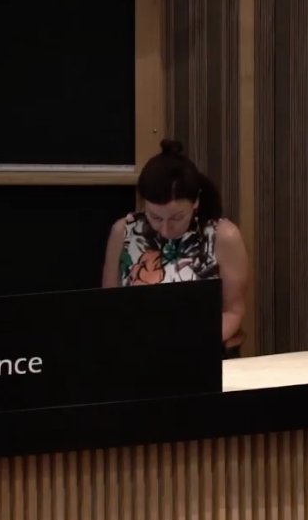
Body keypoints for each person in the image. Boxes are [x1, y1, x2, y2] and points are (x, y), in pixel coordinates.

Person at [101, 140, 248, 357]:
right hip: (136, 351)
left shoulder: (222, 236)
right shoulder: (123, 231)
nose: (166, 228)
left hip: (200, 351)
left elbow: (233, 310)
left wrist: (188, 344)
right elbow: (108, 307)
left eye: (177, 218)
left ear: (195, 201)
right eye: (156, 217)